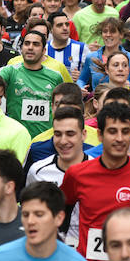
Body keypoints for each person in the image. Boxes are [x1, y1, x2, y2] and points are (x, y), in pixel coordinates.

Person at [62, 101, 130, 261]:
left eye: (125, 131)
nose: (120, 138)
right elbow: (61, 214)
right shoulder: (77, 174)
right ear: (99, 135)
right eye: (112, 131)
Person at [26, 106, 90, 247]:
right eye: (58, 134)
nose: (63, 141)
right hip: (47, 252)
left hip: (87, 255)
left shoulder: (98, 170)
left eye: (70, 134)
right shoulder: (37, 171)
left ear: (83, 134)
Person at [0, 30, 66, 138]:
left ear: (44, 50)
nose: (30, 47)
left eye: (36, 44)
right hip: (17, 139)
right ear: (21, 48)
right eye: (27, 43)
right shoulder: (10, 71)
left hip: (45, 140)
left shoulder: (55, 76)